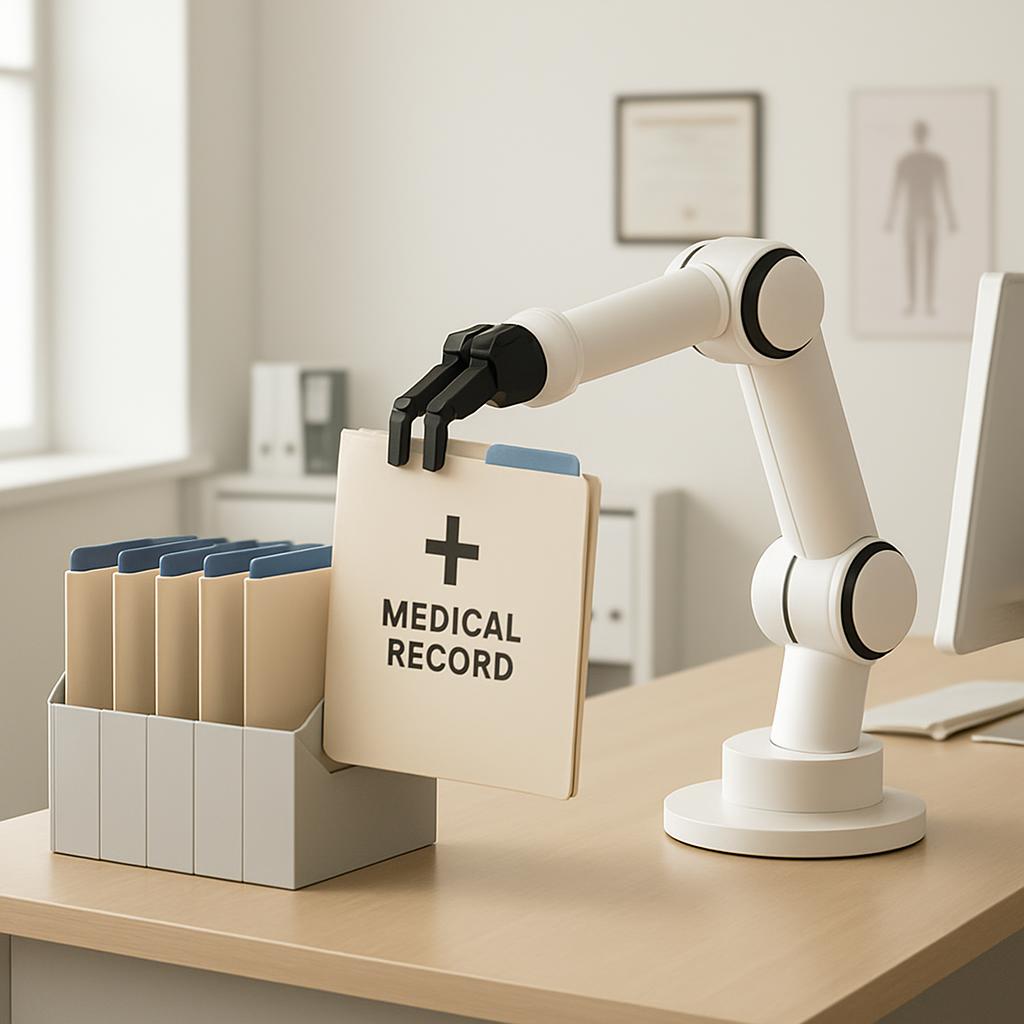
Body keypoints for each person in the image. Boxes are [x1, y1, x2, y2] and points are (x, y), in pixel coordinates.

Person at [884, 120, 957, 316]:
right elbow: (943, 192)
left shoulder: (910, 161)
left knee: (920, 258)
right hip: (922, 213)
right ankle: (919, 302)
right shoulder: (930, 161)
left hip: (918, 214)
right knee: (920, 258)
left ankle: (921, 303)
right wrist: (951, 218)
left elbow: (897, 192)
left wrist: (890, 218)